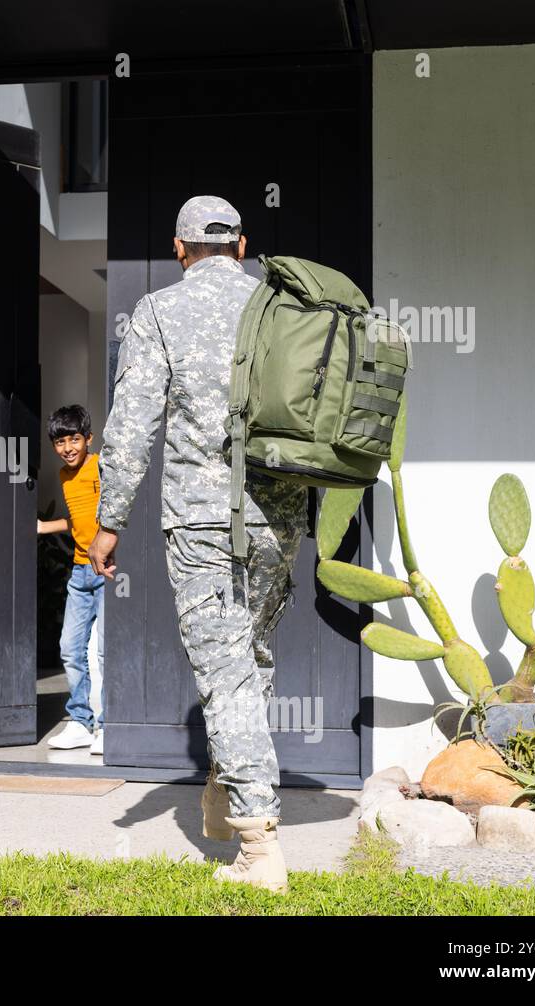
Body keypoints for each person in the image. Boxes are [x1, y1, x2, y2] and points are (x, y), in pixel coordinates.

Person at [87, 196, 306, 893]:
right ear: (243, 246)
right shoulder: (281, 310)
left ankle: (258, 846)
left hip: (205, 525)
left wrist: (108, 520)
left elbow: (129, 429)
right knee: (252, 658)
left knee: (227, 674)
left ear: (180, 250)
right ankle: (223, 794)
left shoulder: (158, 312)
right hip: (280, 522)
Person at [37, 404, 105, 756]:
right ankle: (80, 722)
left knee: (105, 651)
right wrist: (44, 526)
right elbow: (77, 521)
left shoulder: (100, 467)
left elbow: (113, 514)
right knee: (70, 648)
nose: (68, 447)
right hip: (80, 572)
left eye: (75, 439)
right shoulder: (65, 477)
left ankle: (108, 726)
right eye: (60, 441)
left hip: (107, 570)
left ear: (88, 439)